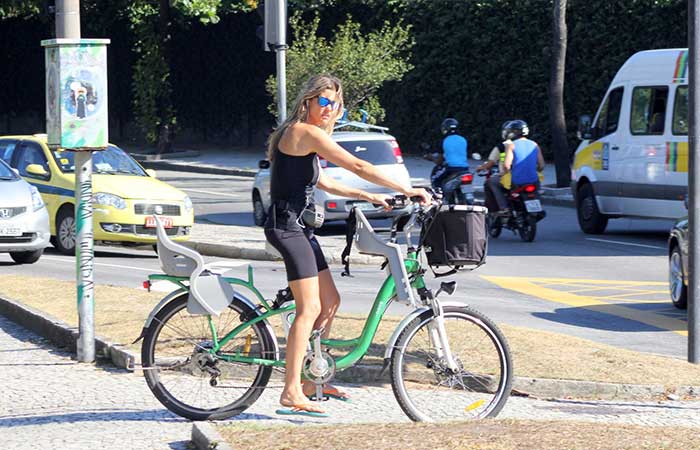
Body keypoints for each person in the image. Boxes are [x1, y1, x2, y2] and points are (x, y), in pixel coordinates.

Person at [264, 74, 430, 417]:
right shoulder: (302, 132)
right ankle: (291, 389)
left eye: (335, 104)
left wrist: (366, 195)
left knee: (330, 302)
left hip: (300, 229)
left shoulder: (306, 139)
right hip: (286, 227)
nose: (328, 109)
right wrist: (408, 187)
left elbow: (325, 180)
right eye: (323, 102)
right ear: (308, 102)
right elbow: (357, 164)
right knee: (307, 309)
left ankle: (312, 379)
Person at [503, 119, 545, 198]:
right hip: (534, 180)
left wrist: (507, 173)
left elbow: (506, 166)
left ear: (514, 132)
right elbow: (541, 165)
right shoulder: (535, 145)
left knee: (509, 196)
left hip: (517, 181)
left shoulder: (511, 145)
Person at [477, 122, 511, 214]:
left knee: (490, 182)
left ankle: (503, 208)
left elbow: (490, 163)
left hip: (508, 176)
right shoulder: (527, 144)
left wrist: (480, 168)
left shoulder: (503, 146)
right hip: (526, 177)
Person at [430, 118, 469, 191]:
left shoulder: (444, 140)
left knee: (435, 178)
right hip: (465, 169)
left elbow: (439, 161)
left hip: (451, 168)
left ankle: (439, 194)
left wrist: (431, 158)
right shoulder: (463, 139)